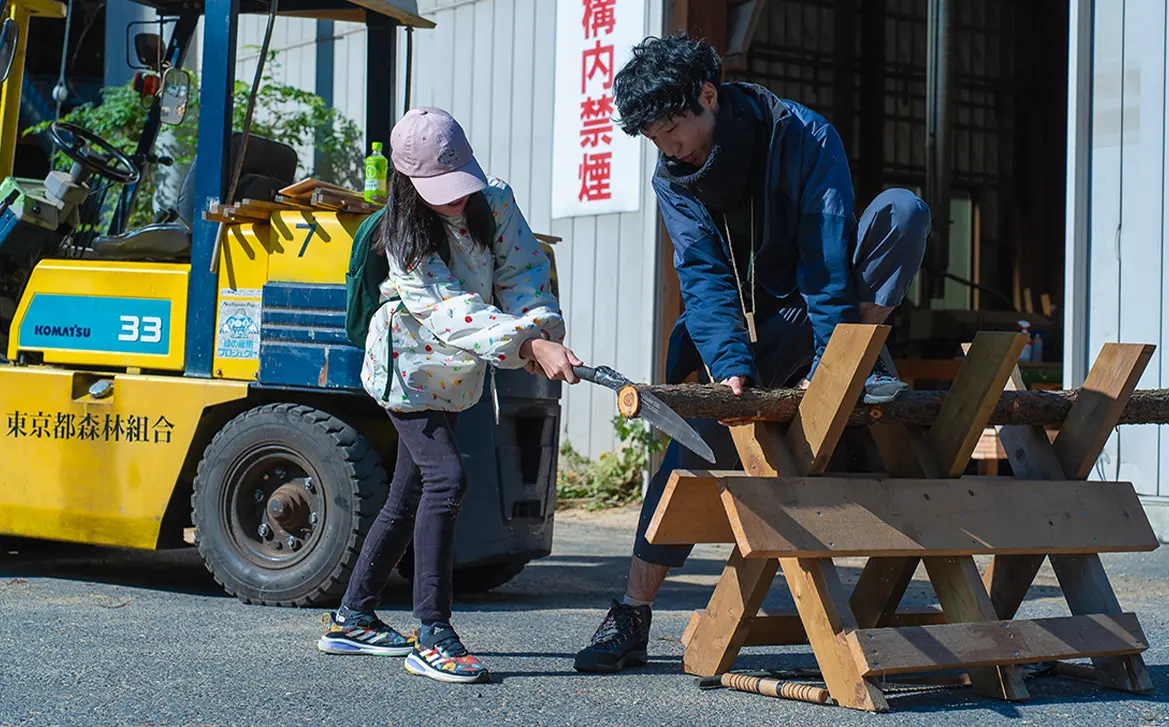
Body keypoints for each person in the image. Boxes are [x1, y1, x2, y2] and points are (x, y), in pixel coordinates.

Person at [573, 33, 932, 673]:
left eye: (672, 130)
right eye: (654, 139)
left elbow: (826, 260)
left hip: (823, 315)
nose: (668, 148)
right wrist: (729, 366)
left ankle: (858, 361)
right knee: (691, 449)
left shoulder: (804, 135)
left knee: (902, 212)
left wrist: (831, 370)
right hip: (752, 332)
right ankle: (631, 611)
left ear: (708, 96)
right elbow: (701, 274)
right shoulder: (673, 177)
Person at [317, 106, 582, 684]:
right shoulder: (400, 235)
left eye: (460, 182)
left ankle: (352, 618)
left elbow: (523, 275)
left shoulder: (496, 201)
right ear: (407, 181)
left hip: (456, 372)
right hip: (408, 367)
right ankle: (432, 633)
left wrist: (542, 331)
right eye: (440, 190)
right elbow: (451, 311)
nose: (456, 198)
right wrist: (528, 346)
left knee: (407, 494)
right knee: (446, 480)